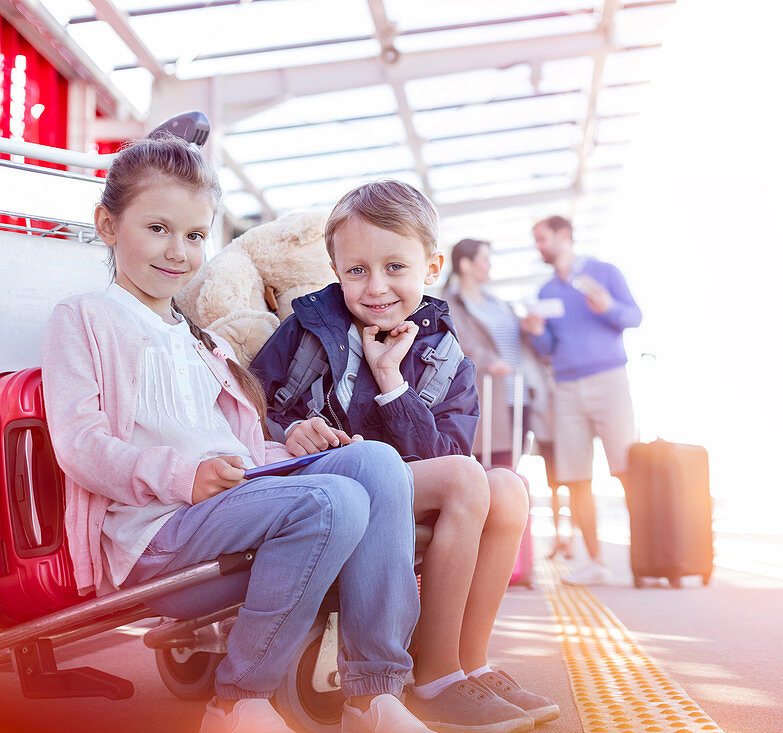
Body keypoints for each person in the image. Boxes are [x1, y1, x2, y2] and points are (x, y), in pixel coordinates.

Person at [41, 135, 429, 733]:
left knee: (376, 464)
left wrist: (296, 444)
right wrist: (181, 476)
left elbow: (239, 453)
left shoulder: (206, 343)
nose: (178, 252)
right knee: (334, 501)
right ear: (108, 225)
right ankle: (239, 701)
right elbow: (80, 443)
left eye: (195, 236)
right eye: (158, 228)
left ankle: (373, 695)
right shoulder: (85, 318)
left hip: (231, 509)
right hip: (154, 535)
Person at [250, 181, 559, 732]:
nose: (376, 287)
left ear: (432, 266)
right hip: (328, 483)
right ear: (335, 267)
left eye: (396, 266)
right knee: (469, 479)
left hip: (406, 486)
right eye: (357, 270)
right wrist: (292, 428)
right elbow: (248, 403)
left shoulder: (445, 355)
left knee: (509, 488)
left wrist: (393, 385)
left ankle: (470, 664)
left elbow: (445, 454)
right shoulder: (308, 331)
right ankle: (434, 677)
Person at [521, 215, 642, 586]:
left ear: (564, 236)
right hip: (568, 388)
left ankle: (645, 558)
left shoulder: (605, 272)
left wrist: (608, 308)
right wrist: (536, 334)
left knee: (626, 471)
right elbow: (548, 349)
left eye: (542, 238)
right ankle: (595, 563)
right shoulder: (545, 293)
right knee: (576, 477)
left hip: (610, 381)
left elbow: (634, 317)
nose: (538, 246)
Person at [443, 238, 553, 472]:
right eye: (485, 260)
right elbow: (461, 342)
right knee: (495, 465)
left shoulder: (498, 303)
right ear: (465, 265)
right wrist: (489, 361)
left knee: (513, 463)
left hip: (518, 393)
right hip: (489, 395)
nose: (489, 265)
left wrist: (528, 327)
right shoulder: (452, 304)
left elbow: (516, 339)